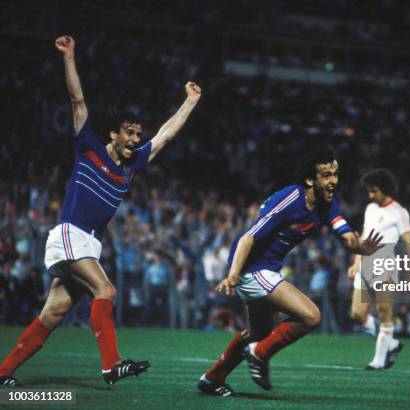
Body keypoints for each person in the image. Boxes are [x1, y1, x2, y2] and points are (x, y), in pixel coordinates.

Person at [0, 35, 202, 387]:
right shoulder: (89, 148)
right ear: (113, 134)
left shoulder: (133, 164)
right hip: (69, 233)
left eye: (139, 133)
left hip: (89, 245)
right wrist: (69, 56)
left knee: (54, 312)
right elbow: (77, 100)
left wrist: (190, 101)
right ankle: (111, 365)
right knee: (106, 291)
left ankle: (2, 373)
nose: (136, 138)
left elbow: (166, 135)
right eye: (130, 132)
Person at [197, 146, 383, 396]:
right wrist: (232, 275)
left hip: (266, 270)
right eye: (326, 175)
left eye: (335, 174)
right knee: (311, 316)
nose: (333, 181)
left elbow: (346, 237)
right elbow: (247, 238)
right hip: (251, 268)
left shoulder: (328, 205)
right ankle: (260, 353)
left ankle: (212, 379)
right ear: (310, 179)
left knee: (259, 332)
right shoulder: (290, 200)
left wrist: (360, 246)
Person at [347, 169, 410, 370]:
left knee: (384, 311)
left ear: (385, 190)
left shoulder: (399, 212)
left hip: (384, 264)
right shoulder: (370, 209)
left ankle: (378, 361)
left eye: (374, 191)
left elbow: (409, 242)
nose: (370, 195)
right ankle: (391, 344)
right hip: (366, 263)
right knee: (357, 314)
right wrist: (356, 262)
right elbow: (365, 238)